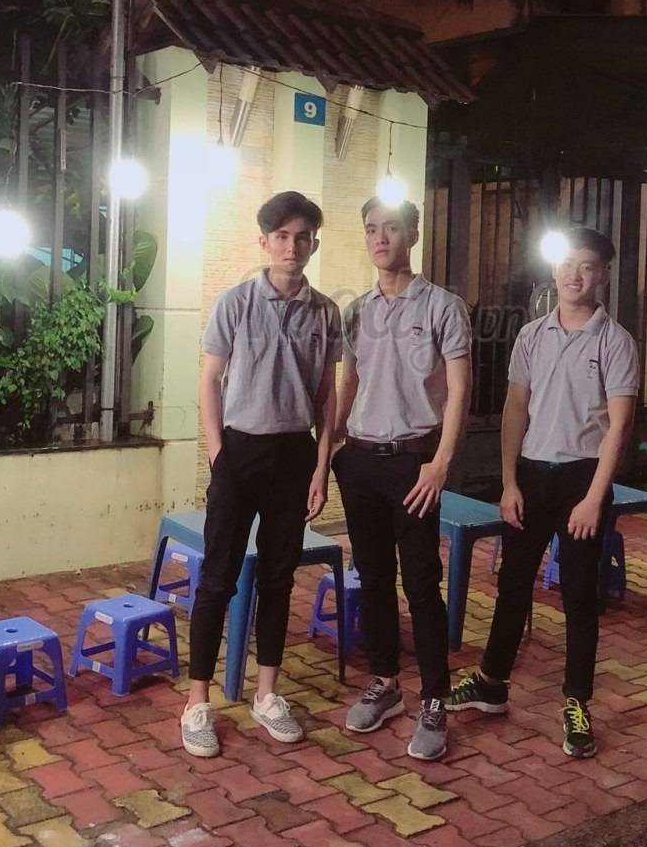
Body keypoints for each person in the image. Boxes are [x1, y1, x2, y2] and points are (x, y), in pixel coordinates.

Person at [445, 227, 637, 758]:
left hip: (582, 479)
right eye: (567, 263)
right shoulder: (531, 335)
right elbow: (515, 409)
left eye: (587, 266)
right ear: (554, 268)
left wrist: (594, 498)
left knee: (578, 596)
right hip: (530, 475)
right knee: (513, 584)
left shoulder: (615, 342)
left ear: (603, 275)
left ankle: (576, 701)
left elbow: (620, 426)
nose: (575, 275)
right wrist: (508, 482)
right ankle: (491, 683)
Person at [181, 191, 342, 758]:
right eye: (281, 236)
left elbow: (326, 393)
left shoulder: (325, 311)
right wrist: (218, 452)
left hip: (295, 455)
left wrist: (321, 465)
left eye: (302, 237)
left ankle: (268, 694)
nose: (291, 247)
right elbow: (210, 380)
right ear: (264, 241)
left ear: (314, 243)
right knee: (217, 578)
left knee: (278, 577)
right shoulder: (235, 302)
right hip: (240, 451)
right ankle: (197, 702)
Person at [333, 197, 471, 761]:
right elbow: (348, 384)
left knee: (420, 581)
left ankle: (434, 699)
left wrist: (440, 463)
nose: (380, 238)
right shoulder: (356, 312)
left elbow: (459, 390)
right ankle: (386, 681)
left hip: (415, 462)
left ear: (413, 234)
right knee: (372, 577)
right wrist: (329, 450)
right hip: (360, 460)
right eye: (371, 229)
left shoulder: (443, 306)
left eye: (391, 228)